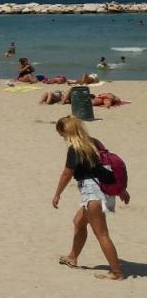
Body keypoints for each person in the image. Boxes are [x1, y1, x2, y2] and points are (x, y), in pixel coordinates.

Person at [52, 116, 123, 280]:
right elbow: (107, 167)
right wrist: (120, 190)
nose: (63, 139)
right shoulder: (94, 142)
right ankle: (72, 257)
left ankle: (117, 273)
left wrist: (57, 194)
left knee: (102, 234)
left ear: (66, 132)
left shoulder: (75, 148)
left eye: (62, 135)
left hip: (93, 194)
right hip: (104, 189)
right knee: (78, 221)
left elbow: (66, 174)